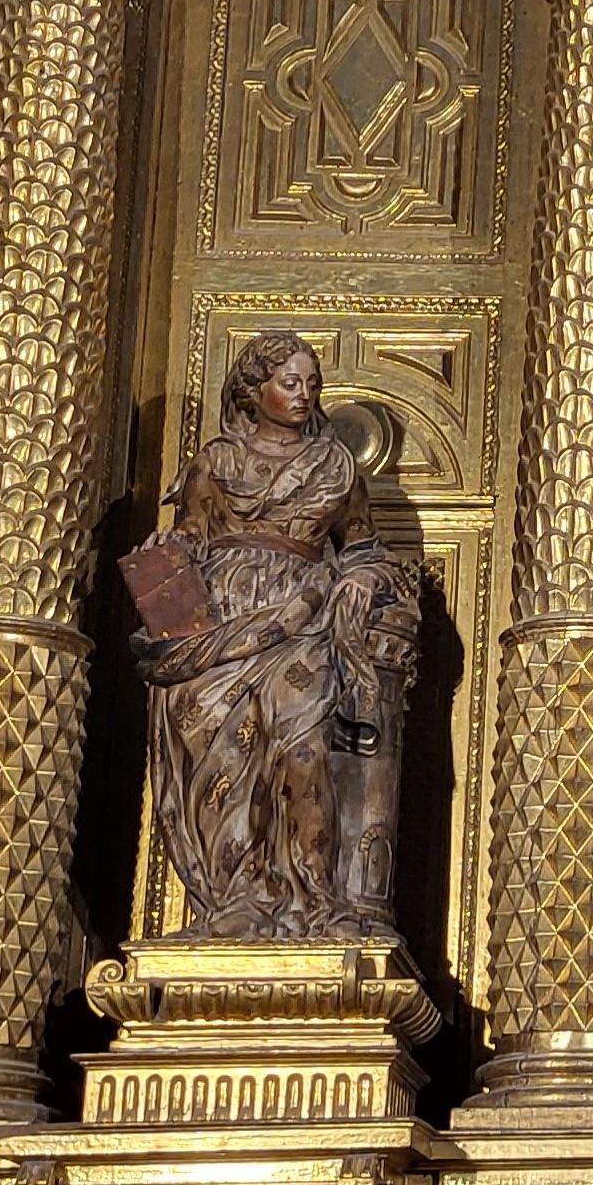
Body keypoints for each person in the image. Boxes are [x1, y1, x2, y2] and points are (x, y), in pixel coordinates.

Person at [130, 334, 425, 940]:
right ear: (252, 389)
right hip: (219, 621)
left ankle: (313, 896)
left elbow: (364, 547)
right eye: (290, 383)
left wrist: (362, 579)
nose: (303, 395)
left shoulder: (335, 465)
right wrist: (164, 551)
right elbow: (190, 535)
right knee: (224, 754)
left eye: (311, 385)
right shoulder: (216, 462)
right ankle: (236, 897)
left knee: (301, 747)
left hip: (303, 615)